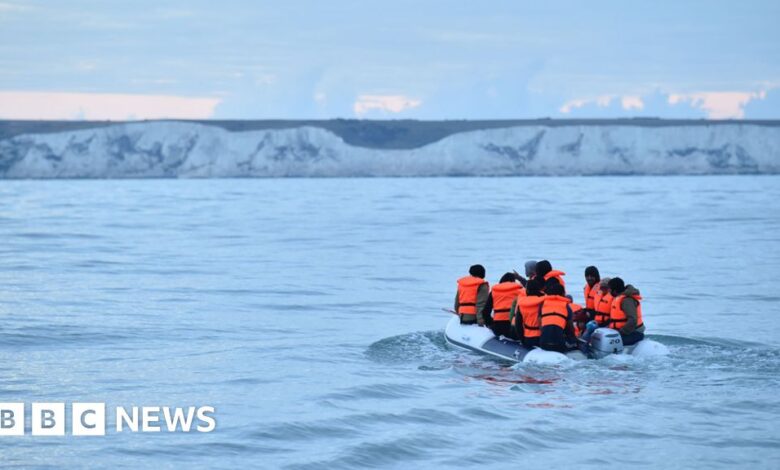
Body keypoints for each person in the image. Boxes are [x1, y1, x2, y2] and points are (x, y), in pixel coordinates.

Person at [483, 273, 523, 338]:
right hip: (514, 328)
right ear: (514, 281)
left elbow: (485, 312)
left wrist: (491, 324)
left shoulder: (494, 291)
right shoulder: (520, 290)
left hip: (498, 327)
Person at [607, 277, 645, 345]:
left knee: (609, 342)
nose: (608, 291)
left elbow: (633, 320)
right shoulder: (619, 298)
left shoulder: (626, 300)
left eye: (610, 289)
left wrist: (621, 332)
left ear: (615, 291)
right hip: (626, 331)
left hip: (634, 332)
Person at [539, 279, 574, 353]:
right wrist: (573, 339)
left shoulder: (543, 304)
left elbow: (540, 326)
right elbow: (570, 328)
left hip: (543, 343)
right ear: (562, 294)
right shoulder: (566, 306)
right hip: (559, 344)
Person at [512, 278, 545, 349]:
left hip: (528, 339)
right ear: (539, 290)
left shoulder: (521, 304)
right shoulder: (544, 302)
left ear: (527, 291)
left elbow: (518, 325)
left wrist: (522, 340)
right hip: (543, 338)